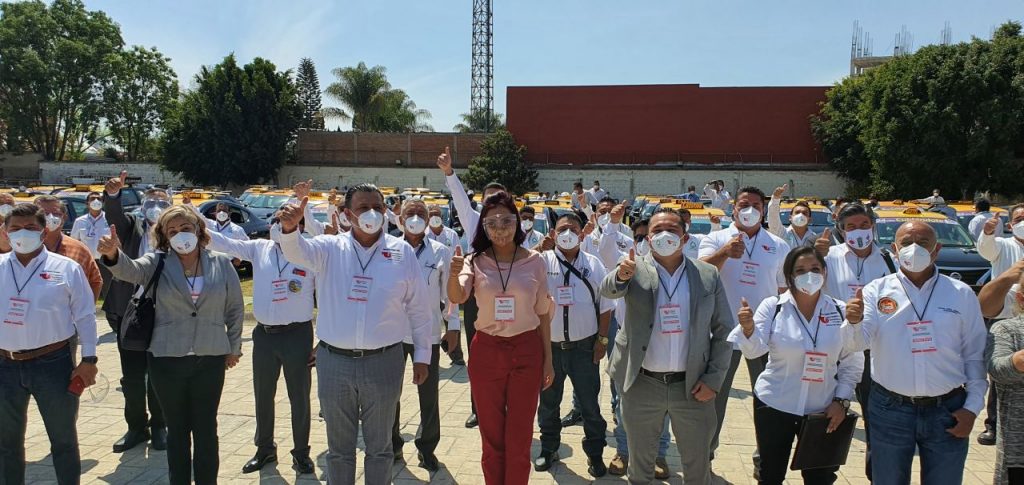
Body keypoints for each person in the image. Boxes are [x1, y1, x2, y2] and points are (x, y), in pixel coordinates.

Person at [277, 184, 433, 485]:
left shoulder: (401, 253)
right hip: (335, 363)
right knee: (340, 450)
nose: (371, 213)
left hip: (384, 362)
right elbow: (297, 252)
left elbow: (419, 309)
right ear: (347, 214)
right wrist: (289, 228)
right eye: (363, 208)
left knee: (380, 448)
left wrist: (423, 356)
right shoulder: (328, 247)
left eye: (377, 206)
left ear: (387, 212)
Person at [100, 205, 244, 485]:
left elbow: (235, 309)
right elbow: (129, 270)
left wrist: (234, 346)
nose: (180, 235)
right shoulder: (157, 261)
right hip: (166, 358)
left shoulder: (222, 263)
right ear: (165, 236)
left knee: (206, 428)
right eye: (173, 231)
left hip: (210, 357)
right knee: (177, 430)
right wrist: (112, 254)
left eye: (186, 228)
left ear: (199, 230)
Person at [843, 220, 987, 484]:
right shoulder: (877, 290)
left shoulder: (961, 294)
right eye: (907, 243)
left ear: (936, 249)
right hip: (890, 409)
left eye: (922, 243)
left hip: (948, 410)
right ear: (894, 249)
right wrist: (853, 322)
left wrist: (972, 409)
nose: (914, 249)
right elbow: (856, 344)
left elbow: (975, 357)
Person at [602, 207, 733, 484]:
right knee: (640, 467)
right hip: (641, 384)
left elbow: (724, 331)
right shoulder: (633, 268)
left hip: (693, 386)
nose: (664, 236)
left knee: (697, 467)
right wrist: (621, 275)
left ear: (685, 238)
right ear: (647, 239)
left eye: (672, 230)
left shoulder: (707, 274)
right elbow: (608, 290)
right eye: (657, 231)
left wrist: (713, 379)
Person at [730, 246, 864, 485]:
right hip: (775, 403)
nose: (809, 275)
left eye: (814, 269)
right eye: (800, 270)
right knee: (770, 473)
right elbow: (754, 350)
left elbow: (852, 362)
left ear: (824, 272)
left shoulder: (841, 310)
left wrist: (841, 401)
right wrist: (748, 329)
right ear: (790, 276)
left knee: (820, 477)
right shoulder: (773, 307)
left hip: (823, 408)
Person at [447, 191, 555, 485]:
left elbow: (543, 313)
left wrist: (548, 360)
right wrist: (453, 274)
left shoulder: (535, 261)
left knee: (519, 436)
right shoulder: (475, 261)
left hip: (526, 348)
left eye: (506, 221)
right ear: (483, 228)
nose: (500, 229)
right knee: (492, 436)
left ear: (517, 222)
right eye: (491, 223)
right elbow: (458, 295)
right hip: (488, 351)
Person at [197, 211, 317, 475]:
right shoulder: (259, 248)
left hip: (297, 335)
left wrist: (322, 342)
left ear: (298, 228)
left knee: (299, 397)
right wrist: (194, 221)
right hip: (264, 335)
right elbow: (222, 243)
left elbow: (329, 297)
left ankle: (301, 453)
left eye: (287, 221)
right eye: (275, 220)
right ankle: (264, 449)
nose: (278, 225)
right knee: (263, 395)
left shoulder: (309, 253)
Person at [0, 203, 99, 485]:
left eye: (30, 228)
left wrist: (89, 360)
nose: (23, 233)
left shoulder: (66, 268)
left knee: (63, 440)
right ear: (5, 233)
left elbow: (85, 315)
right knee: (6, 443)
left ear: (44, 232)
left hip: (53, 364)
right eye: (15, 228)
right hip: (5, 365)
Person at [699, 186, 790, 476]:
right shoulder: (714, 239)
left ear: (763, 210)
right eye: (743, 204)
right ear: (733, 209)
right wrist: (724, 253)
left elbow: (783, 289)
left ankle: (764, 459)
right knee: (714, 399)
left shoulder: (777, 244)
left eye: (755, 205)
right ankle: (705, 457)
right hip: (721, 332)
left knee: (767, 399)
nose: (749, 209)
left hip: (764, 334)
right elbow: (697, 273)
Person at [820, 201, 895, 477]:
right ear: (841, 230)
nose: (858, 231)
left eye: (864, 225)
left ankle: (877, 475)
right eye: (850, 227)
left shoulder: (889, 261)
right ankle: (822, 473)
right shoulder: (828, 258)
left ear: (873, 226)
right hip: (835, 351)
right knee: (827, 414)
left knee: (877, 418)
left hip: (873, 351)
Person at [534, 212, 612, 477]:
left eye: (573, 229)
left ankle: (595, 454)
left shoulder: (594, 264)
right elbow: (519, 277)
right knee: (548, 402)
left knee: (589, 404)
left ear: (582, 234)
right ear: (553, 234)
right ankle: (548, 448)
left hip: (584, 347)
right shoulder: (541, 262)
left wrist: (602, 340)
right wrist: (537, 248)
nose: (567, 233)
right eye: (562, 229)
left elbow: (606, 305)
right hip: (550, 349)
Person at [437, 146, 509, 428]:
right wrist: (449, 173)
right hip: (477, 297)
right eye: (488, 198)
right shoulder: (475, 221)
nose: (493, 202)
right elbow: (459, 200)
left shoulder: (517, 228)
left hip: (507, 298)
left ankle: (504, 406)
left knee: (505, 353)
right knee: (478, 354)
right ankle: (478, 409)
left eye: (499, 197)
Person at [391, 199, 460, 472]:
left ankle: (427, 447)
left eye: (421, 213)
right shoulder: (388, 249)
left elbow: (449, 296)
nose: (416, 218)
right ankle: (393, 444)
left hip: (427, 335)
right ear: (400, 219)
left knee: (428, 396)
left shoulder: (441, 252)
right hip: (391, 335)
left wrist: (453, 327)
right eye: (411, 213)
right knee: (389, 395)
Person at [102, 172, 169, 453]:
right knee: (131, 377)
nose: (156, 205)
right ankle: (135, 428)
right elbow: (114, 217)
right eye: (151, 200)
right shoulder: (131, 227)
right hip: (129, 314)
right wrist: (114, 196)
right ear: (143, 205)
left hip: (163, 317)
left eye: (162, 202)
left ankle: (159, 427)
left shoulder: (173, 234)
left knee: (158, 376)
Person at [986, 276, 1024, 485]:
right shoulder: (1007, 329)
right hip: (1018, 451)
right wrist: (1017, 361)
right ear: (1020, 298)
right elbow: (997, 369)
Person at [33, 195, 103, 301]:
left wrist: (85, 311)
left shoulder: (79, 250)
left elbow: (95, 282)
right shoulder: (22, 246)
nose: (50, 217)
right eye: (44, 213)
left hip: (64, 314)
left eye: (56, 214)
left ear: (64, 218)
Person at [70, 191, 113, 297]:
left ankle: (110, 313)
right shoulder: (80, 221)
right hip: (87, 261)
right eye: (92, 199)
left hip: (105, 260)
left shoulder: (110, 219)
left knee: (109, 290)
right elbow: (74, 242)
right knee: (86, 290)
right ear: (87, 203)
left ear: (103, 203)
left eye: (99, 199)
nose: (96, 201)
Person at [978, 204, 1024, 281]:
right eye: (1018, 220)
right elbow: (986, 251)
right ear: (1010, 226)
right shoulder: (1002, 244)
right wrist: (987, 233)